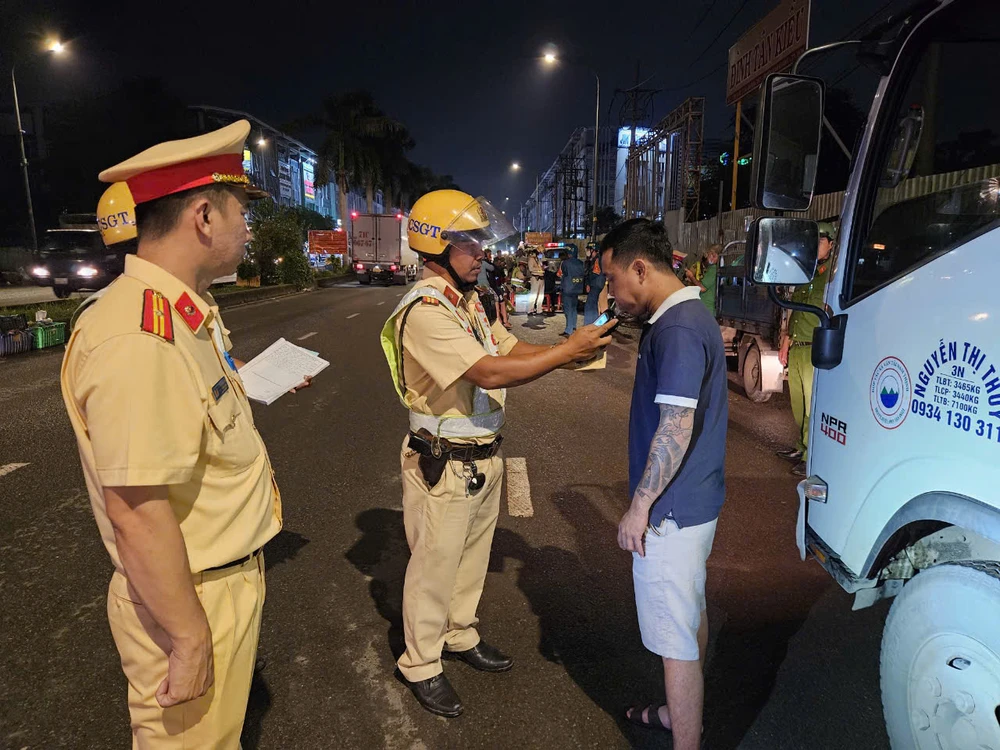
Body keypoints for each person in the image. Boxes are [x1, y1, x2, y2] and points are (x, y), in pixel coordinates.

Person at [60, 120, 296, 748]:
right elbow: (137, 510)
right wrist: (189, 636)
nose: (248, 227)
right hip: (189, 596)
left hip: (213, 581)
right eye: (241, 210)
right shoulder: (140, 336)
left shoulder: (181, 310)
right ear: (204, 216)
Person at [381, 189, 614, 718]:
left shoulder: (466, 301)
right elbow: (487, 372)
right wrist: (566, 351)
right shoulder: (425, 311)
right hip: (442, 462)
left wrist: (571, 354)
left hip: (481, 456)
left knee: (470, 559)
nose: (481, 253)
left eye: (480, 243)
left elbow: (506, 348)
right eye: (469, 244)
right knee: (433, 568)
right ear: (436, 247)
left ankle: (460, 633)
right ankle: (421, 662)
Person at [600, 218, 727, 750]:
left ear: (639, 268)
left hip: (670, 513)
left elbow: (675, 427)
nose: (610, 292)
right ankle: (680, 713)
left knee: (675, 644)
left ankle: (685, 734)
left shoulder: (676, 330)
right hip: (695, 501)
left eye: (612, 279)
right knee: (688, 618)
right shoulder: (688, 315)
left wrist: (639, 508)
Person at [776, 222, 836, 477]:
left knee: (812, 405)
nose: (815, 245)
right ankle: (801, 446)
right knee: (798, 403)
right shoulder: (806, 273)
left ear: (831, 245)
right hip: (798, 347)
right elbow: (795, 309)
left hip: (815, 347)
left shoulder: (832, 274)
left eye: (820, 240)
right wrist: (785, 340)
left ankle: (810, 455)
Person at [682, 244, 721, 315]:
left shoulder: (713, 270)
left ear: (719, 258)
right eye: (710, 254)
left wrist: (691, 277)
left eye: (714, 256)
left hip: (707, 308)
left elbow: (702, 288)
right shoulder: (711, 269)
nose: (711, 258)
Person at [559, 246, 586, 336]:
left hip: (568, 288)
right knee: (574, 308)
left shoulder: (565, 263)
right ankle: (573, 327)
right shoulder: (580, 263)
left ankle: (568, 330)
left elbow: (564, 272)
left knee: (568, 309)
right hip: (577, 288)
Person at [584, 245, 606, 325]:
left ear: (593, 250)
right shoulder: (595, 259)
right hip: (597, 283)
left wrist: (588, 283)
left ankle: (589, 324)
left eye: (589, 249)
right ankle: (594, 323)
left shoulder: (597, 260)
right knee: (593, 305)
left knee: (589, 305)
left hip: (596, 283)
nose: (587, 251)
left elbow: (594, 273)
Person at [526, 249, 545, 314]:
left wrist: (542, 268)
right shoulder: (531, 259)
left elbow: (541, 266)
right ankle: (530, 309)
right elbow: (531, 269)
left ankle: (539, 309)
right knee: (534, 294)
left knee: (541, 295)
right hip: (535, 278)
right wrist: (539, 269)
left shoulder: (538, 259)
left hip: (541, 278)